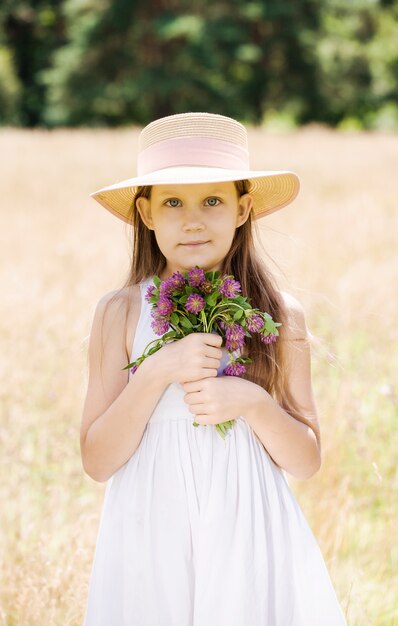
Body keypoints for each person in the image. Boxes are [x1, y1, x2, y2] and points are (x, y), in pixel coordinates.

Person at [80, 112, 348, 625]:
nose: (194, 220)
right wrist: (158, 371)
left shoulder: (277, 313)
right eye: (173, 203)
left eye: (213, 201)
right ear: (147, 213)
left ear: (243, 209)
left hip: (245, 527)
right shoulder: (120, 312)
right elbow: (97, 460)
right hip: (150, 530)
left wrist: (253, 402)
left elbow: (306, 460)